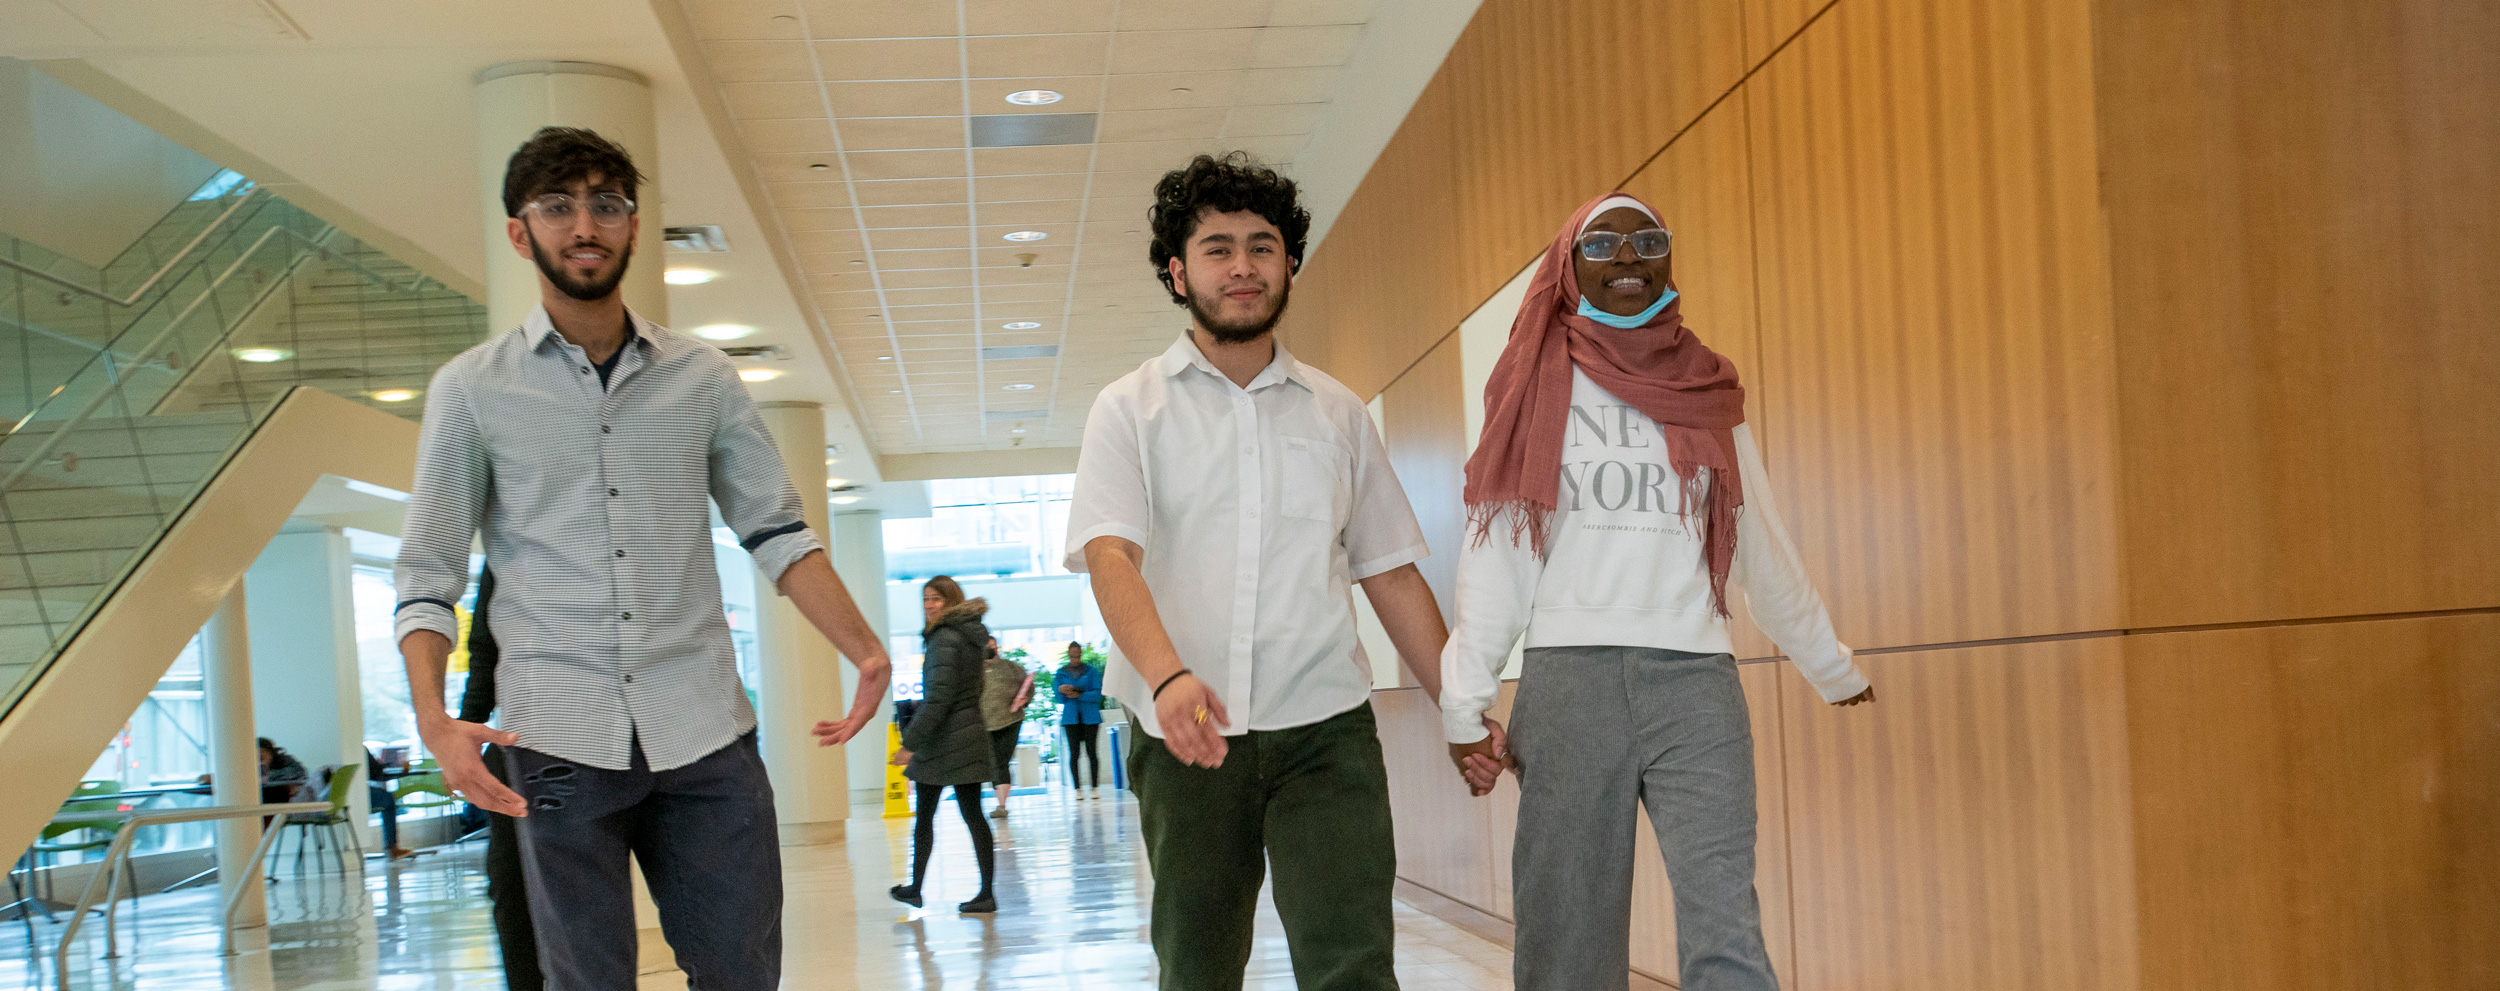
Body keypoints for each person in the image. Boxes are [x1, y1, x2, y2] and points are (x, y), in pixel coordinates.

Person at [392, 126, 894, 991]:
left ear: (632, 226)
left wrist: (866, 647)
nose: (584, 224)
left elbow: (776, 529)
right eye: (558, 206)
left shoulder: (700, 377)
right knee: (587, 981)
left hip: (703, 727)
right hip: (554, 733)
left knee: (741, 971)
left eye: (606, 204)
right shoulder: (472, 390)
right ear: (521, 232)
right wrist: (436, 722)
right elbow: (428, 571)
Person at [1440, 192, 1877, 991]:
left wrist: (1828, 662)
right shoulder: (1535, 383)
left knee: (1725, 924)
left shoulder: (1706, 387)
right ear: (1568, 271)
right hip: (1570, 684)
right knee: (1566, 930)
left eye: (1648, 240)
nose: (1630, 258)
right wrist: (1463, 702)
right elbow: (1498, 550)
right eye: (1602, 246)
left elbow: (1755, 537)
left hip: (1696, 684)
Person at [1067, 152, 1455, 991]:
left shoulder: (1337, 412)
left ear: (1288, 264)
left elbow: (1389, 573)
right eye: (1216, 247)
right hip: (1184, 735)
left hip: (1326, 730)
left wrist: (1462, 710)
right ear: (1178, 271)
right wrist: (1167, 677)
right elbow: (1110, 555)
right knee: (1198, 968)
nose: (1241, 265)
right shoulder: (1128, 408)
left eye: (1262, 245)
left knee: (1353, 966)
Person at [888, 576, 1000, 913]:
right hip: (968, 732)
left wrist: (910, 743)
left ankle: (916, 888)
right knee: (972, 814)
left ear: (951, 601)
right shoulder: (968, 636)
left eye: (936, 598)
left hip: (944, 739)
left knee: (925, 815)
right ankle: (985, 893)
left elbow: (938, 698)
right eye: (925, 599)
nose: (929, 605)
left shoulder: (944, 638)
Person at [458, 567, 542, 991]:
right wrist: (467, 730)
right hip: (518, 748)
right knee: (512, 887)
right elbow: (485, 649)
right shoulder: (507, 549)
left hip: (615, 744)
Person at [978, 638, 1034, 819]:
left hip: (1011, 720)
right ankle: (1000, 803)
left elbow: (1029, 687)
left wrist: (1024, 699)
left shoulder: (1012, 667)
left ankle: (1001, 804)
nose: (990, 648)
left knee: (1001, 761)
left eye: (992, 645)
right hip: (984, 724)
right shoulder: (973, 670)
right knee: (994, 762)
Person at [1053, 642, 1104, 799]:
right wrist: (1062, 691)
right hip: (1071, 719)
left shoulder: (1091, 671)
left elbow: (1098, 694)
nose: (1075, 658)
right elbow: (1058, 698)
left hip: (1090, 717)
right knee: (1074, 753)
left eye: (1077, 655)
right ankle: (1077, 789)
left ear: (1081, 654)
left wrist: (1081, 695)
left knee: (1092, 752)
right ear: (1069, 654)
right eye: (1072, 655)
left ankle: (1094, 787)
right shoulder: (1061, 673)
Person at [365, 747, 414, 859]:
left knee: (385, 797)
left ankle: (392, 847)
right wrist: (396, 768)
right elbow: (377, 775)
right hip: (358, 794)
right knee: (388, 799)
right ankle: (392, 847)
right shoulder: (359, 749)